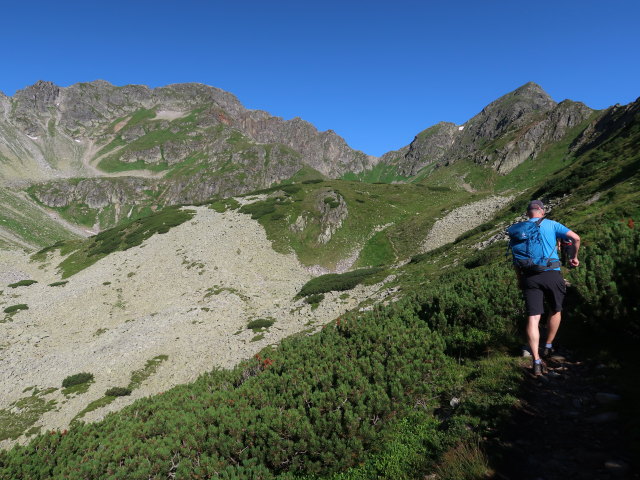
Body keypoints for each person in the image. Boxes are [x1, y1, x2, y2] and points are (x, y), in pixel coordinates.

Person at [517, 200, 581, 376]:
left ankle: (536, 360)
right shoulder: (552, 224)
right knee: (555, 309)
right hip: (551, 272)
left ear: (528, 213)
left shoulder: (519, 229)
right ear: (542, 211)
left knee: (533, 317)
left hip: (529, 276)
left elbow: (516, 259)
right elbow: (575, 238)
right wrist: (573, 257)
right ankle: (548, 346)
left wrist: (519, 279)